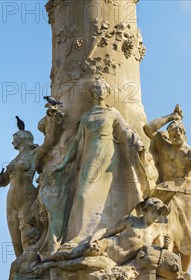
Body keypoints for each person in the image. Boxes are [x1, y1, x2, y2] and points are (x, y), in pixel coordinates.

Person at [56, 78, 150, 246]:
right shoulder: (86, 116)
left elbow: (125, 129)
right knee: (83, 194)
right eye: (96, 89)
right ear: (92, 93)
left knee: (105, 193)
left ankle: (102, 232)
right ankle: (80, 234)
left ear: (106, 92)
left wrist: (136, 142)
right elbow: (77, 141)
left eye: (102, 88)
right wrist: (64, 163)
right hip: (88, 156)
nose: (99, 91)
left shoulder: (112, 112)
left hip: (107, 157)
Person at [143, 105, 191, 270]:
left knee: (188, 236)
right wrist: (170, 116)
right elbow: (148, 128)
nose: (175, 137)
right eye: (172, 135)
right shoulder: (164, 146)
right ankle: (167, 268)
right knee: (166, 234)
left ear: (184, 134)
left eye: (178, 134)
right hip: (166, 193)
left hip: (186, 195)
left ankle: (184, 274)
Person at [35, 198, 171, 270]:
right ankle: (46, 260)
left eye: (159, 213)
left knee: (79, 264)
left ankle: (50, 265)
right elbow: (108, 230)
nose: (157, 216)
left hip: (117, 260)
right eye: (154, 211)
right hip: (107, 245)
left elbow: (158, 253)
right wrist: (93, 240)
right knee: (73, 254)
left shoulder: (158, 231)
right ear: (146, 210)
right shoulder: (130, 220)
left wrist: (165, 247)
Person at [0, 129, 39, 257]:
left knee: (27, 233)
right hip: (11, 200)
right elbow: (3, 182)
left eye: (15, 138)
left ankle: (30, 260)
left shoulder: (35, 153)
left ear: (24, 139)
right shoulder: (15, 159)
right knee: (14, 236)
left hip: (27, 197)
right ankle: (19, 262)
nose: (12, 141)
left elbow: (51, 142)